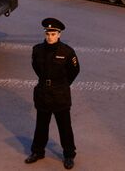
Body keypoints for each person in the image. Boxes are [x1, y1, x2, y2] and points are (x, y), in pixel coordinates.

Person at [25, 18, 80, 170]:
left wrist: (62, 85)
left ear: (59, 35)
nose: (50, 36)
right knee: (41, 125)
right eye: (48, 33)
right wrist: (46, 81)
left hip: (60, 94)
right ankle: (37, 152)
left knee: (65, 127)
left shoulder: (67, 52)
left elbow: (74, 71)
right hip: (43, 92)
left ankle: (69, 155)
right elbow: (36, 67)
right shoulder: (37, 50)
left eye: (53, 33)